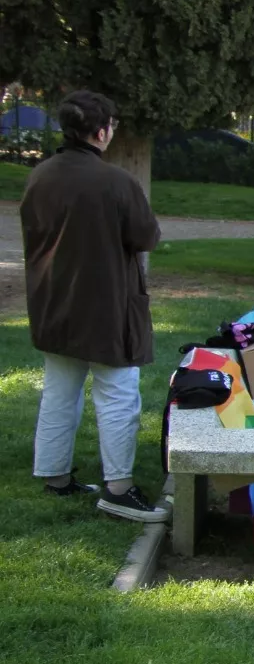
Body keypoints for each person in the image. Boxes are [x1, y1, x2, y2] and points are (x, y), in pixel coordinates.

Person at [21, 89, 166, 523]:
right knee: (118, 394)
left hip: (52, 301)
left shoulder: (40, 175)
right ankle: (119, 488)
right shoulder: (116, 181)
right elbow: (146, 236)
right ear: (101, 131)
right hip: (105, 306)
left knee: (60, 390)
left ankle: (54, 474)